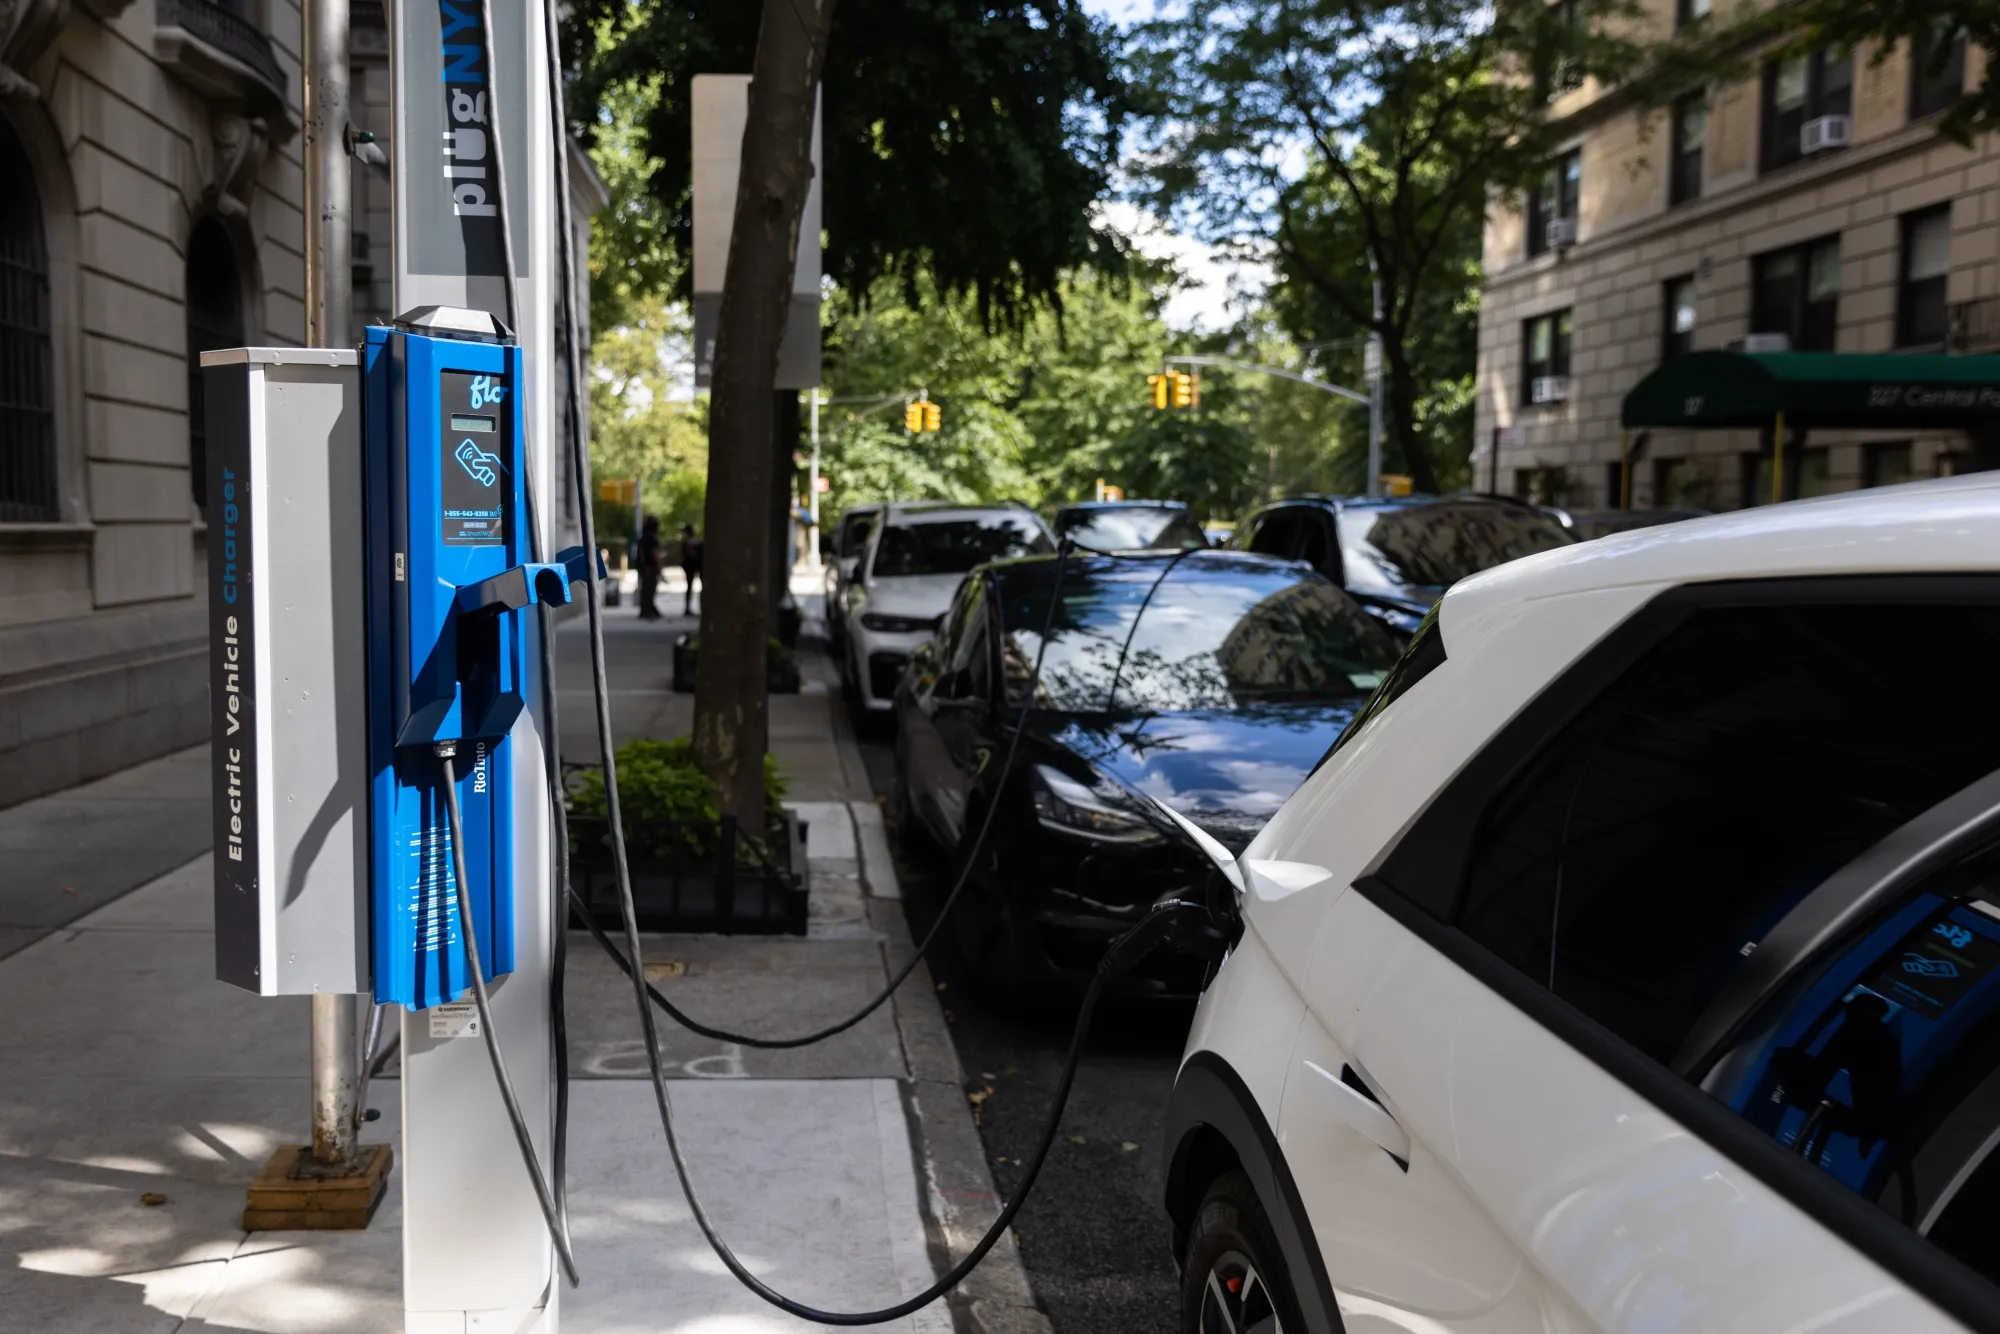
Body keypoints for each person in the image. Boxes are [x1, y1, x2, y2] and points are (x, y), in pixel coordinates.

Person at [635, 516, 664, 621]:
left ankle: (646, 609)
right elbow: (655, 554)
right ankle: (648, 610)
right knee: (650, 589)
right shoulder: (652, 539)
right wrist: (660, 567)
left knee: (645, 589)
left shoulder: (642, 538)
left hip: (643, 566)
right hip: (650, 566)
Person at [679, 522, 704, 615]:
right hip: (692, 566)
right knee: (692, 586)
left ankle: (692, 607)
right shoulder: (691, 542)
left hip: (693, 566)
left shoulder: (690, 542)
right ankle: (692, 607)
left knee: (692, 586)